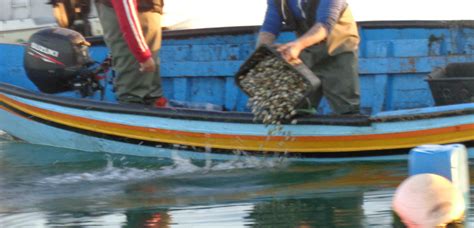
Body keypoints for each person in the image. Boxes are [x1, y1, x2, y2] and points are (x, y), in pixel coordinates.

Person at [257, 0, 360, 115]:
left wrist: (298, 45)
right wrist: (262, 50)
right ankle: (300, 126)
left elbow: (325, 25)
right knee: (296, 106)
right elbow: (269, 27)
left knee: (346, 108)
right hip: (307, 52)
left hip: (338, 51)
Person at [95, 0, 167, 107]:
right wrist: (143, 55)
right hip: (134, 31)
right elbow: (125, 10)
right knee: (132, 95)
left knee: (151, 93)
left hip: (143, 28)